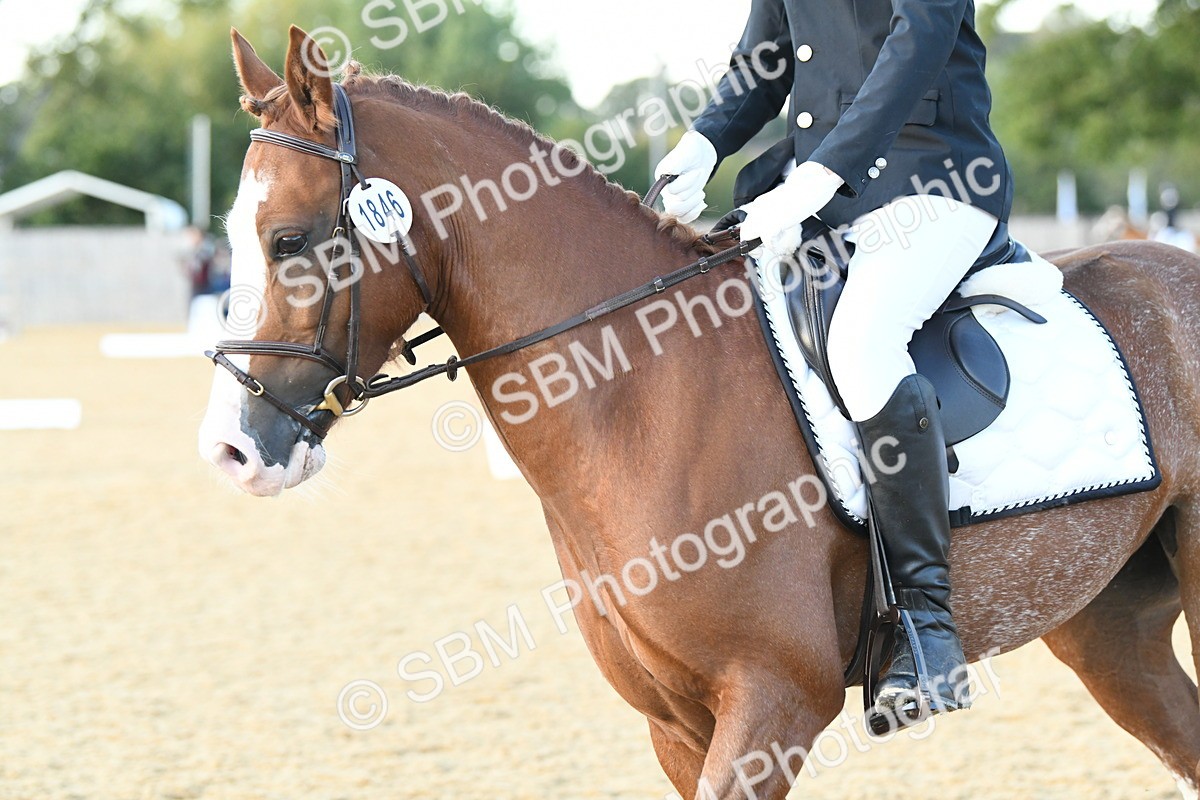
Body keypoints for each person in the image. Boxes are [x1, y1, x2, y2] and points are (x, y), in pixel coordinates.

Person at [655, 0, 1015, 723]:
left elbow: (920, 38)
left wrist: (822, 176)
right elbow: (767, 59)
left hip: (934, 181)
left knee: (860, 344)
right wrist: (701, 141)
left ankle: (927, 622)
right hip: (814, 194)